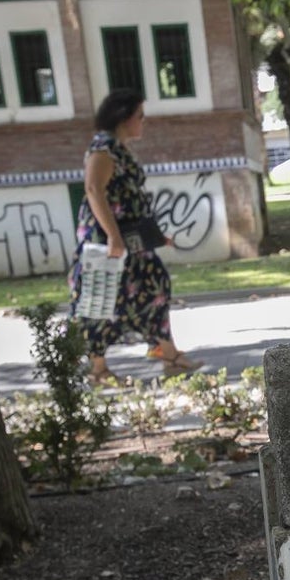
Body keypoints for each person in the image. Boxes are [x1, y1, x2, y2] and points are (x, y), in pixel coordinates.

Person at [68, 89, 200, 383]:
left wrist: (153, 236)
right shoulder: (103, 148)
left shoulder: (119, 147)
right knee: (98, 299)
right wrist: (113, 237)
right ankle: (98, 369)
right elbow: (93, 191)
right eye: (140, 116)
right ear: (124, 117)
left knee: (155, 286)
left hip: (132, 240)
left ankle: (168, 354)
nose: (143, 122)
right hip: (106, 241)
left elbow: (128, 198)